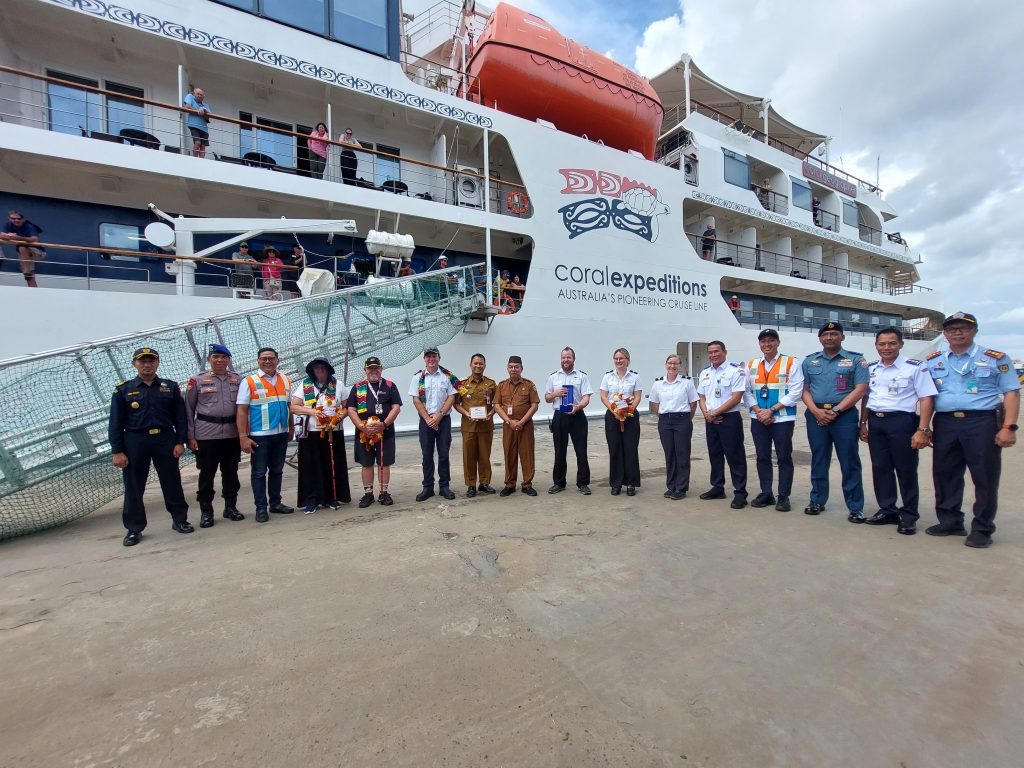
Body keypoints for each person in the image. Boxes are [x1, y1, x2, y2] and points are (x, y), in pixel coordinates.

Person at [923, 312, 1020, 548]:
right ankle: (950, 520)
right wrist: (924, 427)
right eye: (952, 329)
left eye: (963, 328)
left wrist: (1009, 427)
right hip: (945, 422)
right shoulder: (934, 360)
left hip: (981, 422)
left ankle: (983, 528)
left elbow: (1011, 393)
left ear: (974, 331)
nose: (958, 333)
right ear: (944, 334)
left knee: (985, 476)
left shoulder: (995, 358)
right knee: (944, 474)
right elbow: (928, 396)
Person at [108, 347, 191, 547]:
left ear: (157, 362)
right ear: (134, 364)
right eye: (142, 361)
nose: (147, 364)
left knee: (172, 481)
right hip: (136, 441)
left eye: (151, 361)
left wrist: (180, 441)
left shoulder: (169, 387)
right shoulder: (123, 390)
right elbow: (115, 423)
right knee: (134, 486)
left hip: (165, 438)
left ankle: (179, 520)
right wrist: (117, 451)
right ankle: (134, 528)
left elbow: (180, 418)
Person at [858, 328, 936, 536]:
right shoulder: (872, 368)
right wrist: (863, 422)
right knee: (880, 468)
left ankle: (909, 516)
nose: (887, 348)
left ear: (901, 345)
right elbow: (867, 397)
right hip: (876, 421)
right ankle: (887, 510)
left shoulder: (915, 368)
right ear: (876, 346)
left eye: (892, 343)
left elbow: (926, 398)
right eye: (882, 344)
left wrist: (923, 429)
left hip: (902, 422)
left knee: (906, 470)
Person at [801, 321, 869, 520]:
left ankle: (855, 506)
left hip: (844, 417)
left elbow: (861, 389)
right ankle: (817, 500)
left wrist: (837, 410)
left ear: (842, 337)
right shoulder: (809, 361)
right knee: (819, 458)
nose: (829, 338)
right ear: (820, 338)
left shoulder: (856, 360)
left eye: (834, 334)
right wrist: (815, 411)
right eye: (826, 335)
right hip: (816, 416)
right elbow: (804, 389)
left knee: (849, 461)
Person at [185, 343, 245, 528]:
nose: (220, 360)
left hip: (231, 434)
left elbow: (244, 408)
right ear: (210, 359)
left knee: (231, 472)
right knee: (207, 473)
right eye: (216, 357)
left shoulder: (238, 379)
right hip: (206, 434)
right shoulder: (197, 381)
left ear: (228, 360)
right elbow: (188, 409)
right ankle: (206, 512)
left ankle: (230, 507)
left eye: (223, 357)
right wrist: (190, 436)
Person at [744, 329, 804, 512]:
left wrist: (771, 410)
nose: (767, 344)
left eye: (771, 340)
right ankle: (766, 493)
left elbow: (796, 391)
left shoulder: (791, 362)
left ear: (778, 342)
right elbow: (745, 390)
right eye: (763, 341)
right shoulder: (752, 364)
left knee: (784, 456)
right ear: (759, 344)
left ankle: (783, 496)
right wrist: (758, 411)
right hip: (758, 417)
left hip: (783, 418)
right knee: (762, 456)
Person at [236, 347, 294, 523]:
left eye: (271, 358)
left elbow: (288, 405)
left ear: (278, 360)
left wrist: (290, 427)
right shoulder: (249, 381)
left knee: (277, 470)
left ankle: (275, 503)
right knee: (259, 472)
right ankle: (261, 508)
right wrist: (243, 437)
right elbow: (241, 411)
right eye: (264, 359)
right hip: (259, 435)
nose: (267, 361)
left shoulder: (285, 379)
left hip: (280, 433)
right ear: (258, 361)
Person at [290, 357, 351, 513]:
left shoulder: (338, 385)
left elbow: (347, 407)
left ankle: (332, 497)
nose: (320, 371)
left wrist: (338, 418)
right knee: (311, 466)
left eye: (323, 368)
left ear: (329, 370)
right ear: (312, 370)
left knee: (332, 464)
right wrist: (312, 411)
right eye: (317, 368)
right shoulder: (305, 385)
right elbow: (294, 407)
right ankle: (312, 499)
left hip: (333, 430)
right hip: (311, 432)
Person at [696, 341, 748, 508]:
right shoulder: (705, 372)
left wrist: (714, 413)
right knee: (715, 454)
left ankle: (740, 492)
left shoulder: (735, 371)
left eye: (716, 351)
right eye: (710, 352)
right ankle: (717, 487)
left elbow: (736, 397)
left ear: (725, 352)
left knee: (735, 456)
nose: (713, 355)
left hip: (729, 420)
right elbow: (701, 397)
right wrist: (706, 414)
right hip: (710, 420)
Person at [346, 356, 403, 508]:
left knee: (384, 463)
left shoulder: (390, 385)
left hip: (385, 431)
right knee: (367, 463)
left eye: (376, 368)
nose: (373, 371)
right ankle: (368, 494)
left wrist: (384, 424)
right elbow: (351, 409)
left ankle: (384, 493)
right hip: (364, 433)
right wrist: (360, 425)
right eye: (370, 368)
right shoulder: (358, 387)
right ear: (365, 370)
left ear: (381, 369)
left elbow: (396, 407)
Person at [409, 346, 460, 501]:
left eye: (434, 356)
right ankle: (428, 487)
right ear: (424, 359)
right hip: (425, 421)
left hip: (443, 420)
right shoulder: (418, 377)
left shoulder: (448, 376)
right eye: (428, 356)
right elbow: (416, 399)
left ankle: (444, 486)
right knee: (427, 455)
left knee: (444, 455)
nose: (431, 359)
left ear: (439, 358)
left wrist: (439, 415)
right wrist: (428, 419)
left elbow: (451, 397)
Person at [649, 354, 699, 500]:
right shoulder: (658, 384)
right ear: (666, 365)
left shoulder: (687, 383)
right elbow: (654, 403)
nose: (672, 366)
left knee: (682, 454)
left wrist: (685, 419)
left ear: (680, 366)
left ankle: (681, 488)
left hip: (682, 419)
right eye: (670, 363)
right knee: (669, 453)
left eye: (675, 363)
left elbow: (693, 403)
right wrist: (663, 416)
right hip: (665, 421)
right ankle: (671, 486)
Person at [544, 347, 593, 495]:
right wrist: (554, 394)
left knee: (581, 451)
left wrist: (578, 406)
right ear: (561, 359)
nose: (566, 360)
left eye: (568, 357)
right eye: (563, 358)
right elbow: (546, 398)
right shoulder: (553, 377)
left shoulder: (582, 376)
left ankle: (583, 483)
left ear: (573, 359)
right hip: (559, 416)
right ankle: (559, 483)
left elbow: (586, 397)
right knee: (560, 451)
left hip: (577, 415)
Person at [494, 355, 540, 496]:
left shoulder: (529, 385)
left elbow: (534, 405)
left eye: (516, 367)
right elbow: (496, 405)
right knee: (509, 454)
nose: (513, 369)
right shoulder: (501, 386)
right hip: (509, 426)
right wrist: (509, 421)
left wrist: (521, 421)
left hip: (525, 426)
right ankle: (510, 484)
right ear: (507, 368)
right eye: (511, 367)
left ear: (521, 368)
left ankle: (527, 484)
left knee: (527, 454)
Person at [599, 348, 643, 496]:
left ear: (627, 360)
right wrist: (615, 412)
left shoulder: (635, 377)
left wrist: (628, 411)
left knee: (630, 449)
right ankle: (616, 483)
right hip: (613, 417)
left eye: (621, 358)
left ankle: (631, 483)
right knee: (615, 449)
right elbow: (604, 396)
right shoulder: (608, 377)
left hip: (630, 417)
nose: (619, 361)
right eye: (616, 359)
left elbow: (637, 396)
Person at [454, 353, 496, 497]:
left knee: (485, 456)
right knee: (469, 456)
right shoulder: (462, 383)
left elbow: (497, 403)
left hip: (486, 426)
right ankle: (471, 485)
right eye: (475, 363)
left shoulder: (491, 383)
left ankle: (484, 483)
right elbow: (456, 404)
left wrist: (491, 413)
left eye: (481, 363)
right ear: (470, 365)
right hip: (468, 426)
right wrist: (466, 413)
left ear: (485, 365)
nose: (478, 366)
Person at [0, 210, 44, 287]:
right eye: (13, 218)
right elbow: (2, 235)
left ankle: (27, 270)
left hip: (37, 251)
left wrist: (18, 237)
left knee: (21, 246)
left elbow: (35, 239)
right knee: (29, 277)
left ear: (23, 219)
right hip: (23, 254)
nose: (16, 220)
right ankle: (34, 292)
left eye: (18, 219)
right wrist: (7, 236)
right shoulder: (8, 225)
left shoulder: (29, 226)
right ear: (9, 218)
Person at [182, 87, 211, 158]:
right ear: (194, 94)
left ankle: (201, 160)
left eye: (201, 95)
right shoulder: (190, 97)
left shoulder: (206, 105)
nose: (199, 96)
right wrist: (199, 111)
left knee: (203, 146)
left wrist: (204, 112)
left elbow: (208, 117)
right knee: (197, 142)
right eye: (198, 94)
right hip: (194, 125)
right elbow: (187, 107)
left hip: (204, 128)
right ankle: (195, 159)